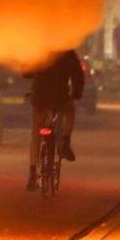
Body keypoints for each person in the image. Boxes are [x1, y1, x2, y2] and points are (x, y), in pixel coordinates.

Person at [25, 49, 85, 189]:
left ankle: (33, 174)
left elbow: (26, 72)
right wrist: (76, 93)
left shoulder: (40, 48)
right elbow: (78, 74)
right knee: (70, 111)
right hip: (60, 97)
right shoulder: (67, 51)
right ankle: (65, 141)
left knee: (36, 132)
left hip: (40, 96)